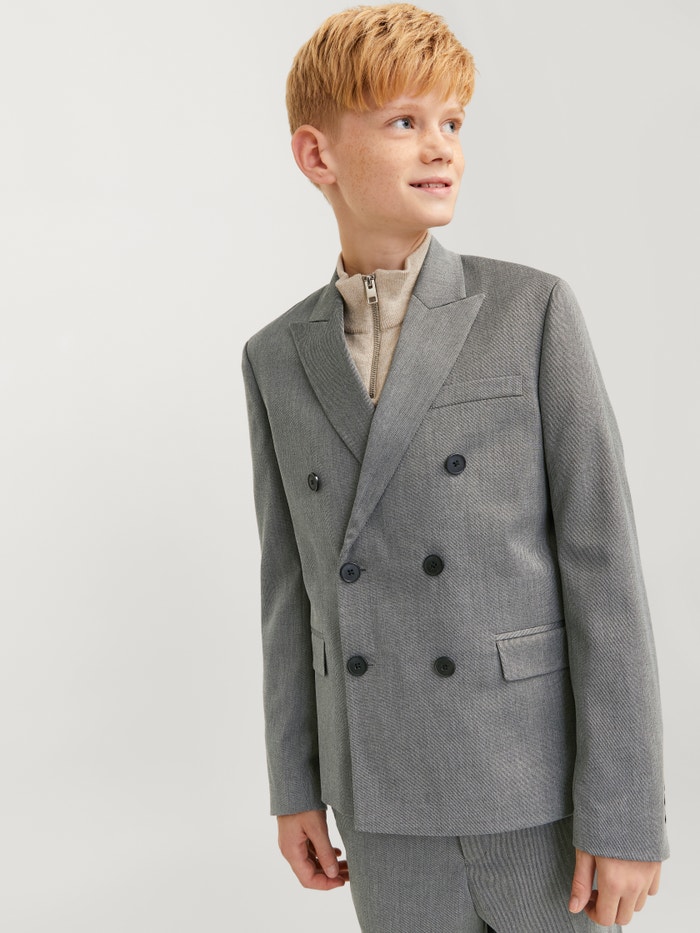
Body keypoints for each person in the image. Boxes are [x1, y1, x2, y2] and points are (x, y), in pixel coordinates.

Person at [240, 4, 669, 930]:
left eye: (452, 122)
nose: (441, 147)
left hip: (531, 787)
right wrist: (295, 783)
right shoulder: (275, 356)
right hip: (379, 795)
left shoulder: (530, 310)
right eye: (405, 121)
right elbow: (290, 588)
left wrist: (629, 812)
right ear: (317, 155)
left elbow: (604, 569)